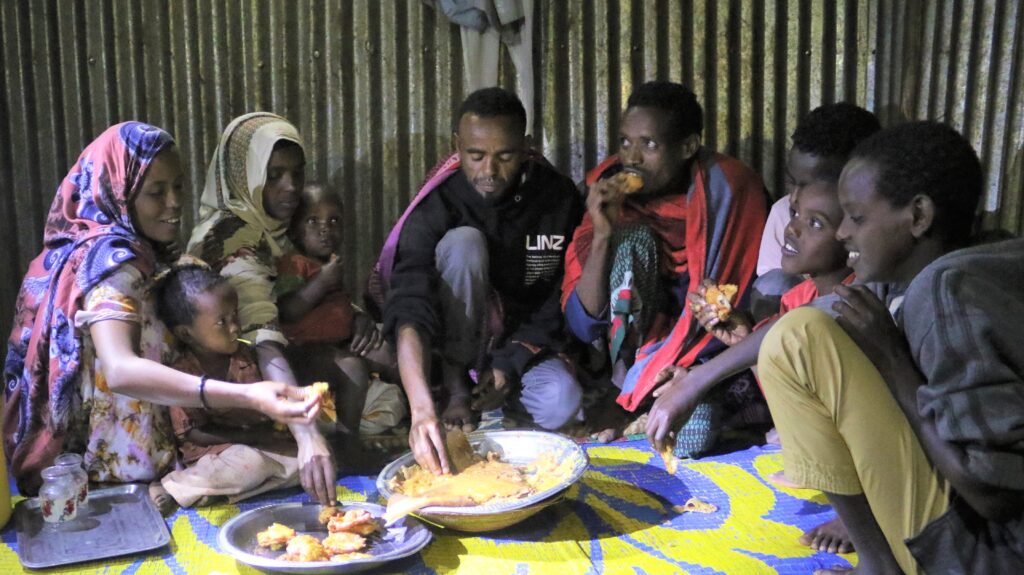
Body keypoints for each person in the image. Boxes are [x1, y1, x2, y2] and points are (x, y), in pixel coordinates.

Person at [757, 121, 1023, 574]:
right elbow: (828, 312)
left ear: (919, 216)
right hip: (978, 537)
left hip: (990, 556)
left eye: (857, 218)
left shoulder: (946, 293)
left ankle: (881, 566)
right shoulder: (943, 270)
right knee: (806, 330)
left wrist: (895, 366)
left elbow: (992, 492)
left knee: (796, 341)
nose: (843, 234)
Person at [2, 122, 317, 500]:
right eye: (156, 192)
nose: (174, 202)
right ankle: (155, 482)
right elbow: (120, 370)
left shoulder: (147, 256)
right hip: (100, 466)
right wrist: (246, 397)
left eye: (179, 186)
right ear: (119, 191)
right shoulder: (112, 264)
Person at [370, 87, 585, 474]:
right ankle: (456, 391)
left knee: (561, 404)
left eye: (504, 156)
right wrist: (420, 410)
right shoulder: (441, 202)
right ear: (457, 146)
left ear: (526, 147)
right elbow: (410, 302)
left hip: (526, 347)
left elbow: (564, 294)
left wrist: (511, 362)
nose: (489, 171)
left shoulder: (558, 198)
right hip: (456, 347)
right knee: (463, 243)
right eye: (475, 155)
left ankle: (496, 398)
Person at [562, 81, 768, 441]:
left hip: (711, 353)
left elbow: (754, 303)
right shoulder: (606, 189)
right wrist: (602, 234)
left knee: (692, 434)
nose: (632, 158)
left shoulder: (730, 190)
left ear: (688, 146)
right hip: (635, 351)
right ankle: (631, 389)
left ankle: (669, 396)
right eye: (625, 142)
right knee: (631, 242)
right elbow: (584, 323)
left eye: (650, 144)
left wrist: (691, 370)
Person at [187, 113, 335, 504]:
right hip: (229, 392)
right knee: (278, 460)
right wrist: (306, 433)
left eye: (297, 174)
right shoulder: (233, 238)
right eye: (273, 176)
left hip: (269, 371)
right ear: (245, 176)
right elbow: (263, 337)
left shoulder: (273, 226)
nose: (290, 188)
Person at [155, 262, 301, 509]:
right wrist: (250, 436)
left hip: (261, 446)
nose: (235, 327)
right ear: (186, 334)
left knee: (302, 465)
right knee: (251, 465)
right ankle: (172, 486)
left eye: (235, 315)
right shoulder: (183, 373)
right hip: (217, 454)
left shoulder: (247, 357)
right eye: (221, 322)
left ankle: (215, 494)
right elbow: (192, 433)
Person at [276, 183, 401, 437]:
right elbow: (287, 310)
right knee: (352, 367)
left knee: (390, 354)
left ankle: (420, 410)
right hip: (304, 351)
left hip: (338, 343)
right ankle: (347, 438)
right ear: (294, 231)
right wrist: (321, 281)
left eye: (334, 220)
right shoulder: (293, 263)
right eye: (313, 221)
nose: (326, 229)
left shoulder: (331, 264)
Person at [750, 103, 881, 322]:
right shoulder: (784, 210)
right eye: (793, 182)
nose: (795, 198)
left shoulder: (867, 298)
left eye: (812, 185)